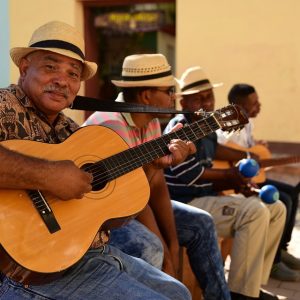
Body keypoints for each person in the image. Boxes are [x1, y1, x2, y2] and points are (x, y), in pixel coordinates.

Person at [0, 21, 193, 300]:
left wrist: (151, 167)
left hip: (85, 256)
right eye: (50, 67)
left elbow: (115, 217)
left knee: (179, 293)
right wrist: (47, 175)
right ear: (25, 67)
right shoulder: (4, 105)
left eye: (73, 73)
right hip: (27, 274)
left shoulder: (72, 132)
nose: (62, 80)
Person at [84, 54, 231, 300]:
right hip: (101, 219)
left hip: (132, 203)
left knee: (202, 223)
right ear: (146, 96)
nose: (174, 97)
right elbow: (134, 199)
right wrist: (164, 248)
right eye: (169, 91)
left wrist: (172, 244)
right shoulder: (112, 126)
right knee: (149, 247)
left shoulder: (151, 122)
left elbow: (156, 184)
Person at [164, 66, 287, 300]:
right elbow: (189, 174)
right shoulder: (180, 126)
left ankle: (252, 286)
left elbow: (216, 150)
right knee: (254, 211)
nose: (207, 102)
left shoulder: (206, 125)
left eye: (209, 96)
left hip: (206, 197)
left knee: (277, 209)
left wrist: (242, 170)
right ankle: (241, 293)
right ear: (184, 102)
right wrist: (229, 177)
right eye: (198, 98)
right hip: (186, 202)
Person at [217, 83, 300, 281]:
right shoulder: (229, 127)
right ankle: (273, 263)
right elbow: (228, 153)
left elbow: (250, 152)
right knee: (285, 200)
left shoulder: (247, 122)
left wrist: (256, 146)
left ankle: (280, 248)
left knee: (292, 191)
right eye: (254, 103)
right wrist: (252, 154)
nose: (259, 106)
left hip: (252, 176)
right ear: (240, 106)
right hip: (237, 182)